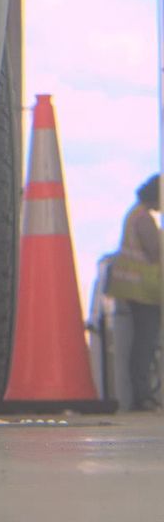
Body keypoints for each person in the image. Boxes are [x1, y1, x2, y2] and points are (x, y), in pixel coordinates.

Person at [109, 174, 161, 410]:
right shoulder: (144, 219)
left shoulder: (135, 214)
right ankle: (142, 397)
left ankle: (140, 395)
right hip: (143, 291)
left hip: (135, 290)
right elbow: (154, 252)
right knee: (145, 343)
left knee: (141, 342)